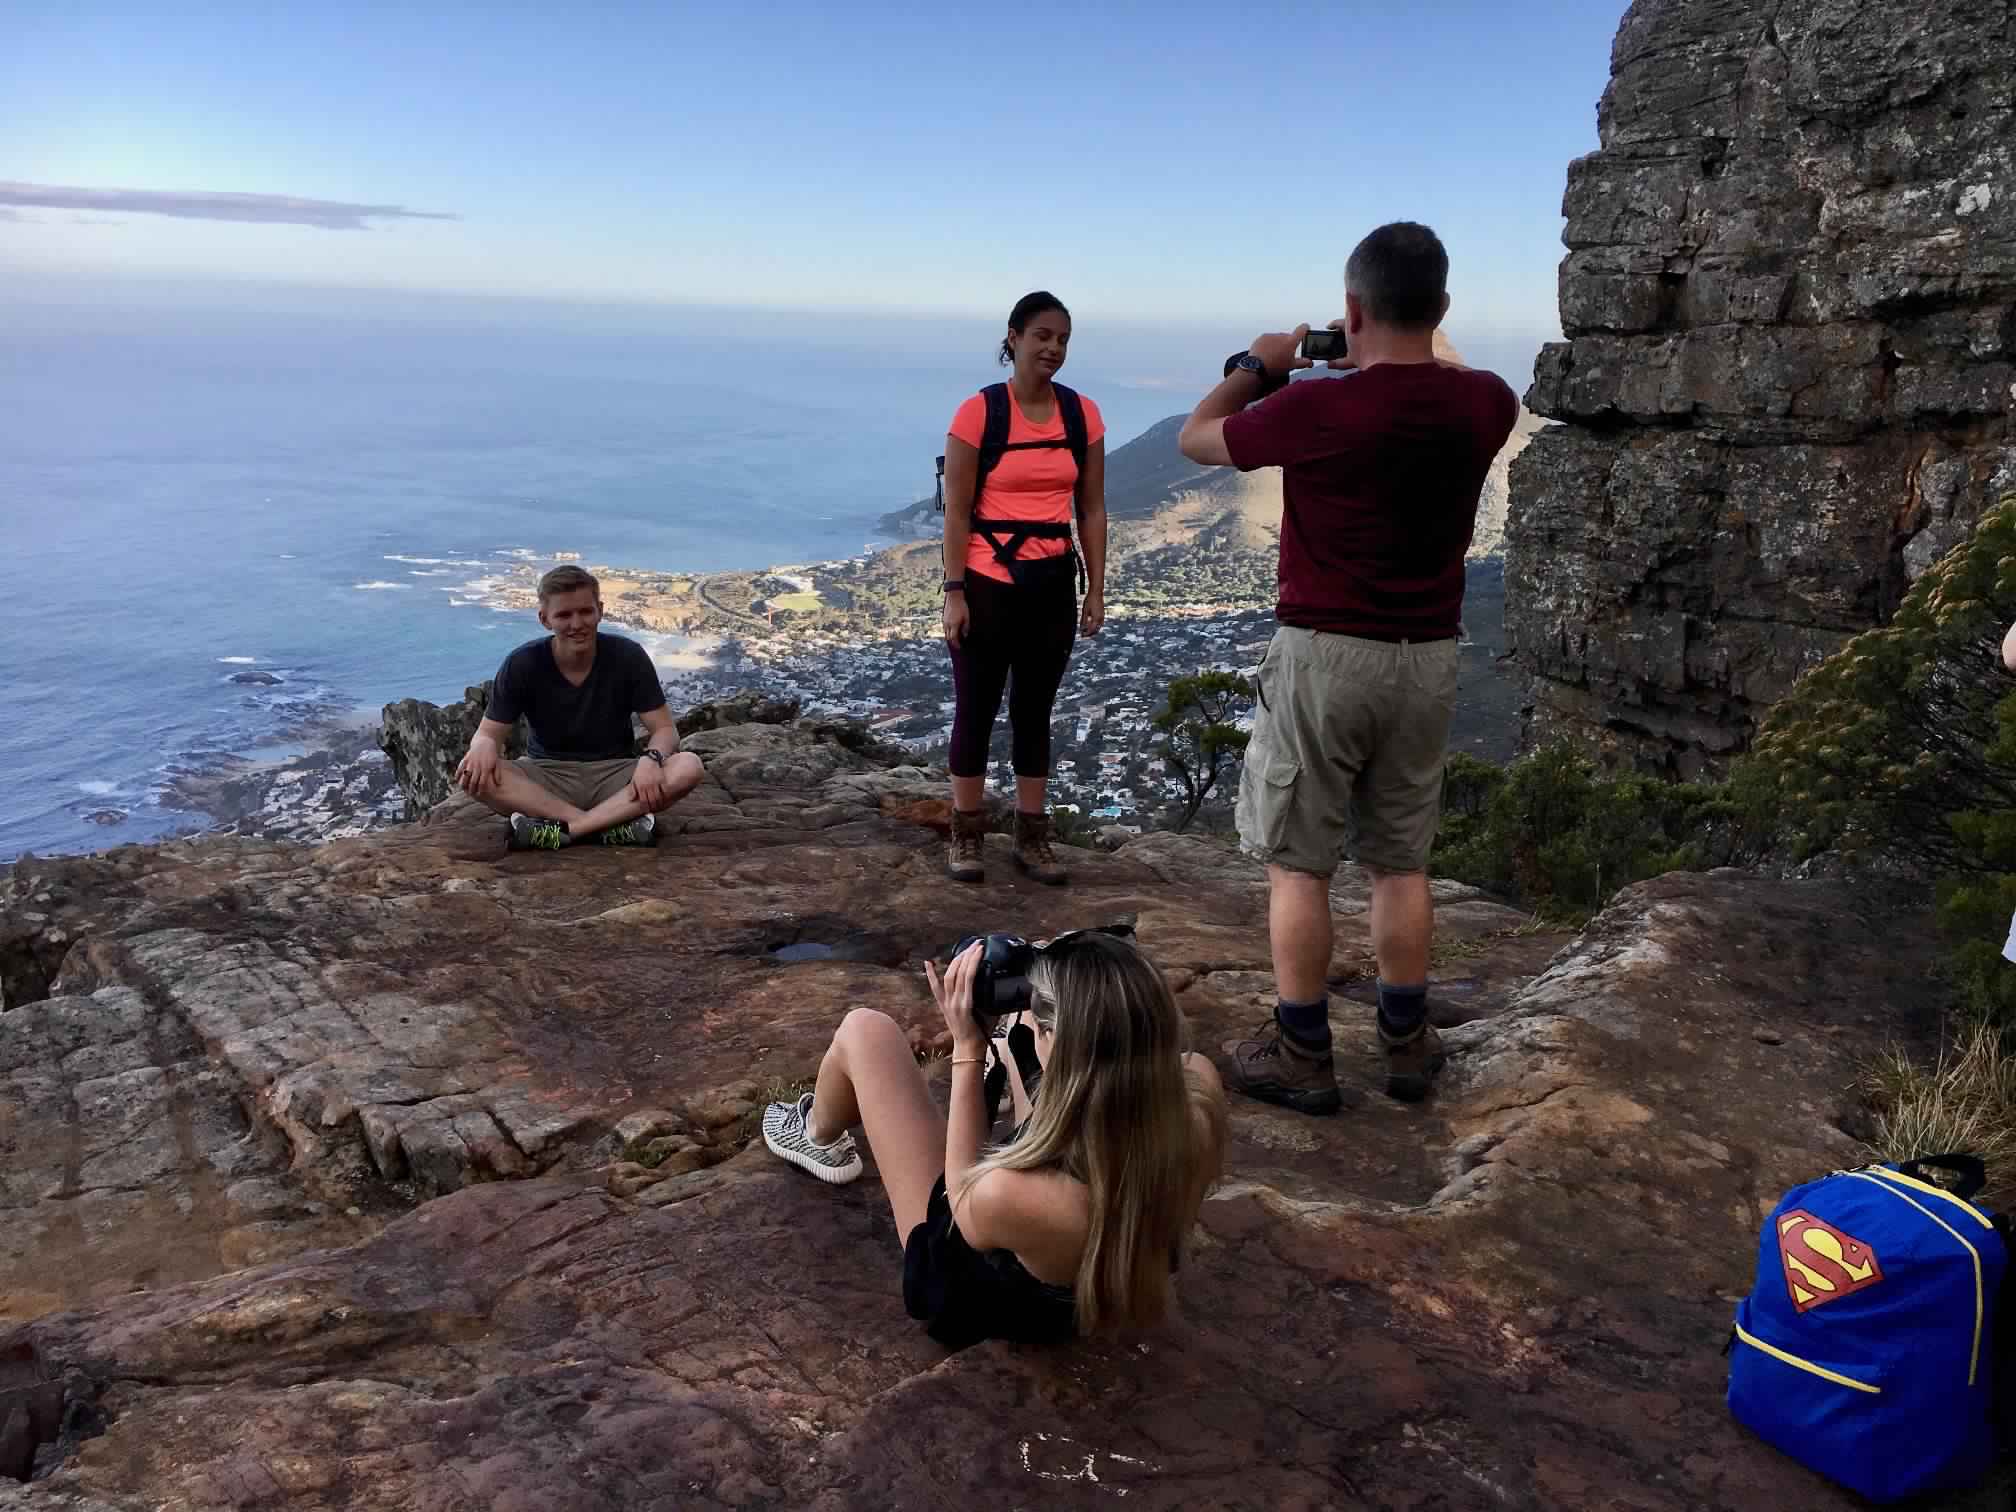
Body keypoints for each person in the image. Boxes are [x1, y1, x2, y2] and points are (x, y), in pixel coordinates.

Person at [1176, 222, 1519, 1111]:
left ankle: (1303, 1053)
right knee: (1399, 863)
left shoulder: (1312, 408)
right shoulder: (1486, 402)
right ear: (1442, 309)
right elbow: (1436, 359)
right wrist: (1394, 335)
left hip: (1326, 657)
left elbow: (1198, 437)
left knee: (1300, 863)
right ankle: (1406, 1045)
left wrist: (1263, 361)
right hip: (1429, 659)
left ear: (1353, 310)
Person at [759, 930, 1228, 1350]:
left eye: (1044, 1029)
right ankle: (1025, 1047)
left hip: (981, 1292)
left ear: (1055, 1044)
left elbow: (958, 1198)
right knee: (1021, 1030)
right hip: (1098, 1250)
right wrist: (1040, 1010)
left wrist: (970, 1047)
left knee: (866, 1030)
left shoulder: (1010, 1193)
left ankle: (816, 1136)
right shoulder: (1196, 1094)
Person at [939, 291, 1109, 887]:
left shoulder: (1082, 415)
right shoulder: (979, 413)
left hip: (1052, 582)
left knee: (1036, 709)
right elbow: (956, 512)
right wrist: (954, 591)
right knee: (977, 708)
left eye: (1062, 339)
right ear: (1012, 338)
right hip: (986, 581)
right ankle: (966, 832)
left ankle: (1031, 838)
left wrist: (1097, 589)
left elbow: (1091, 507)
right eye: (1042, 336)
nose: (1053, 348)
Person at [453, 564, 704, 850]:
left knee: (688, 765)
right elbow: (488, 734)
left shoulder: (628, 657)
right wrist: (482, 745)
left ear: (600, 610)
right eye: (564, 615)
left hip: (616, 775)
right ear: (545, 619)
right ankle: (606, 827)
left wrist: (652, 759)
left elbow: (664, 730)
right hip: (547, 777)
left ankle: (563, 830)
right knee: (472, 774)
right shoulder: (523, 664)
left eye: (585, 612)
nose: (577, 624)